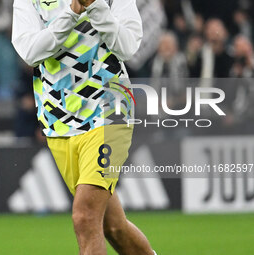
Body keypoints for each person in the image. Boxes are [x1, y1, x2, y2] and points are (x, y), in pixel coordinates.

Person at [12, 0, 156, 255]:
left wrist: (96, 7)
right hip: (58, 120)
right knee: (114, 227)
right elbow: (30, 53)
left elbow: (128, 47)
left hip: (110, 111)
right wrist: (70, 14)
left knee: (84, 215)